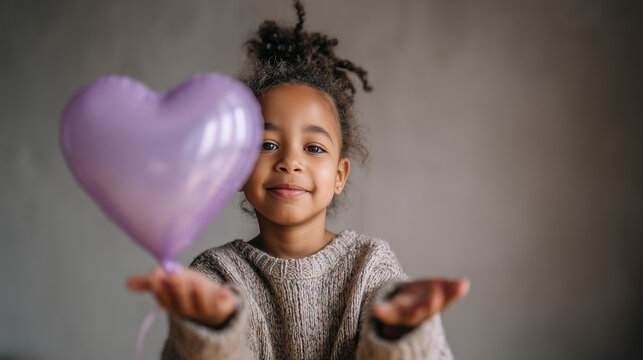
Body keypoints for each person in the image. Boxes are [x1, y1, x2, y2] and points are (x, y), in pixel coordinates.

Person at [126, 1, 470, 359]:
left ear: (339, 176)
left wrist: (400, 334)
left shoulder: (370, 267)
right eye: (268, 144)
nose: (290, 161)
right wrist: (213, 334)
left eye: (314, 148)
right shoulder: (216, 276)